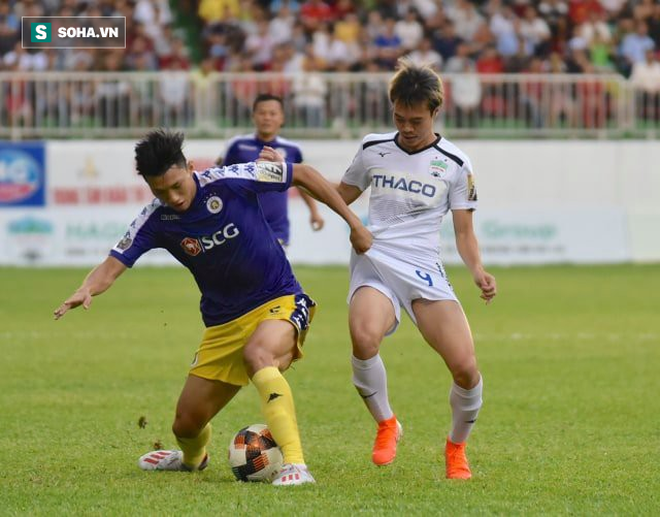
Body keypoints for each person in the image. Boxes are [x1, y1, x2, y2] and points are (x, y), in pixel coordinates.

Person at [54, 129, 371, 486]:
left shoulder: (232, 179)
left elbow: (305, 174)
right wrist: (86, 287)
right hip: (223, 325)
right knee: (186, 424)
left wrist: (354, 223)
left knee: (259, 356)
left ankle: (296, 464)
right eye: (160, 191)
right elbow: (112, 265)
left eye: (177, 185)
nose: (172, 197)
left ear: (190, 167)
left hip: (279, 300)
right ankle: (192, 460)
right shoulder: (156, 219)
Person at [338, 59, 496, 479]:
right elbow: (340, 196)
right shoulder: (374, 148)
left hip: (424, 269)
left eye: (416, 120)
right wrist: (352, 224)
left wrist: (477, 269)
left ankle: (456, 448)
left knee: (465, 367)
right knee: (363, 335)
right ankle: (387, 423)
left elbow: (464, 232)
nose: (407, 127)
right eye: (399, 118)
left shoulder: (456, 163)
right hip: (376, 261)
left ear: (435, 112)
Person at [218, 93, 324, 247]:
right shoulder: (237, 145)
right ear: (253, 116)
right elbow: (219, 180)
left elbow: (302, 183)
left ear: (282, 118)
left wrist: (314, 211)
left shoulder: (293, 150)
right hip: (240, 225)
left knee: (272, 270)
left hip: (276, 229)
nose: (267, 117)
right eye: (262, 113)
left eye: (272, 113)